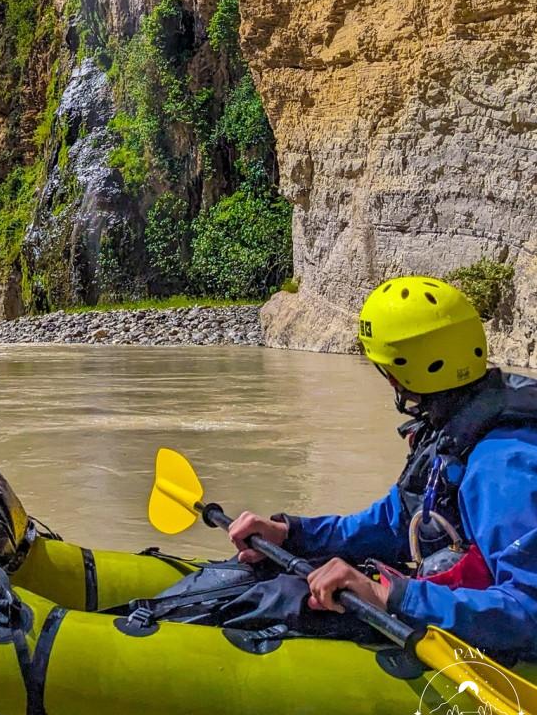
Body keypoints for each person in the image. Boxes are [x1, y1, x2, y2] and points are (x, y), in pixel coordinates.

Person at [228, 276, 537, 655]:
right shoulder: (455, 425)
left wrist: (390, 595)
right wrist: (293, 533)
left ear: (397, 375)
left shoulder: (503, 468)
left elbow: (530, 612)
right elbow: (395, 522)